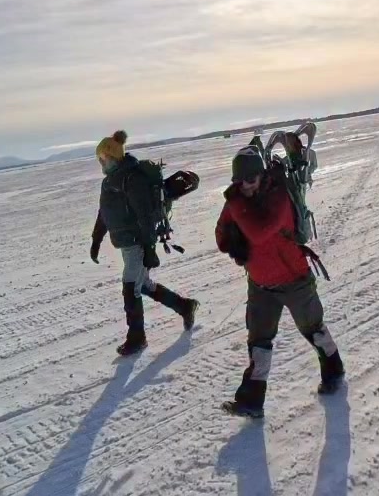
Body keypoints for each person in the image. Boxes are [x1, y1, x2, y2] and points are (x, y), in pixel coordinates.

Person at [215, 142, 344, 418]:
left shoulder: (278, 195)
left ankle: (334, 370)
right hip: (260, 284)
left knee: (313, 330)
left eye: (250, 178)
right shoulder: (238, 200)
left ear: (262, 175)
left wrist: (234, 204)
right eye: (239, 181)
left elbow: (260, 231)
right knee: (258, 341)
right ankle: (252, 401)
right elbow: (221, 235)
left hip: (293, 278)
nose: (245, 185)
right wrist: (231, 240)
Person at [90, 131, 197, 356]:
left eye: (103, 158)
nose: (101, 163)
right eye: (99, 159)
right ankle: (185, 306)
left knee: (131, 288)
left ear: (114, 157)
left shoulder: (132, 178)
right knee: (144, 285)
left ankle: (137, 338)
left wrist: (149, 248)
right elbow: (104, 212)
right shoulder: (110, 181)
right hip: (126, 243)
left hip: (137, 242)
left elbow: (145, 216)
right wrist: (96, 238)